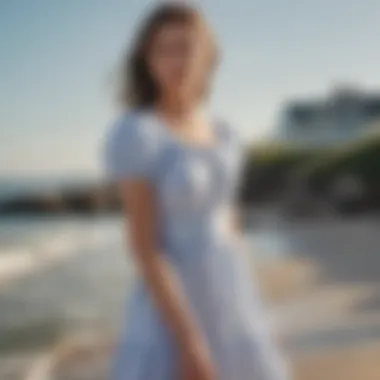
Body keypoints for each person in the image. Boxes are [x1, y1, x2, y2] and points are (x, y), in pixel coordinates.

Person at [104, 2, 289, 380]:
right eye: (164, 50)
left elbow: (228, 221)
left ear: (207, 53)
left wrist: (249, 302)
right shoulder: (138, 134)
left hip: (229, 290)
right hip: (174, 305)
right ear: (147, 59)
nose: (177, 60)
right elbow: (144, 248)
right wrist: (187, 339)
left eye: (187, 47)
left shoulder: (223, 134)